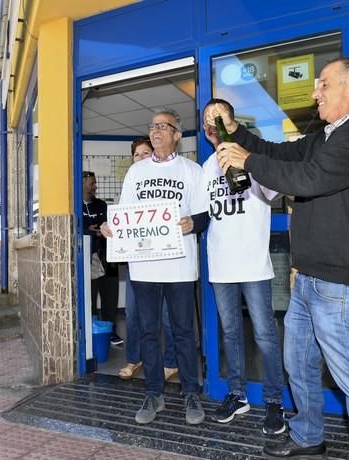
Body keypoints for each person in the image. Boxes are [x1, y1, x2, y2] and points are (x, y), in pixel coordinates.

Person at [214, 57, 349, 459]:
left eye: (324, 84)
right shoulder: (325, 137)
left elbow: (307, 180)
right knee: (299, 365)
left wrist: (249, 163)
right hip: (308, 278)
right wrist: (238, 131)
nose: (315, 92)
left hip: (340, 286)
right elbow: (281, 154)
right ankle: (309, 436)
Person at [101, 108, 209, 425]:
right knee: (148, 332)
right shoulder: (136, 173)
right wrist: (112, 229)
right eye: (153, 126)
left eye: (164, 126)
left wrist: (194, 223)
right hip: (145, 267)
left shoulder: (192, 171)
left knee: (183, 333)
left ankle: (191, 394)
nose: (157, 130)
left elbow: (204, 215)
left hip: (179, 266)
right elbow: (123, 215)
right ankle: (153, 393)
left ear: (177, 134)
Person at [201, 99, 286, 434]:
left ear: (231, 121)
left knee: (265, 335)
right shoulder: (207, 166)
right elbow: (197, 214)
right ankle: (238, 395)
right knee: (231, 333)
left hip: (253, 265)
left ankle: (275, 401)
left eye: (217, 116)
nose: (212, 122)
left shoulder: (251, 159)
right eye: (207, 118)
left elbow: (275, 189)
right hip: (220, 266)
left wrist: (248, 159)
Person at [119, 137, 179, 382]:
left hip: (165, 260)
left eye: (147, 153)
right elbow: (122, 215)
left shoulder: (164, 183)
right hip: (138, 261)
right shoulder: (131, 181)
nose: (142, 158)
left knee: (167, 314)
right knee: (133, 313)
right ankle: (134, 359)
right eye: (137, 155)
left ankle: (171, 362)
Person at [82, 170, 122, 346]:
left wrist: (97, 231)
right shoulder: (76, 205)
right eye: (92, 183)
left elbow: (110, 226)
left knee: (110, 297)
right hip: (88, 258)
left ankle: (110, 331)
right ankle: (92, 332)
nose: (95, 186)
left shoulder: (102, 205)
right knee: (89, 297)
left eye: (95, 183)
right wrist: (88, 231)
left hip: (108, 256)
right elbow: (77, 229)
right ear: (82, 184)